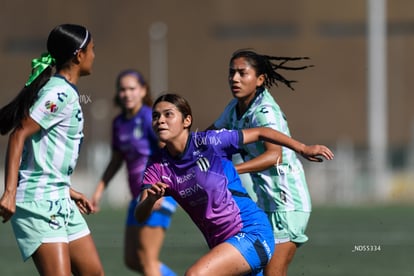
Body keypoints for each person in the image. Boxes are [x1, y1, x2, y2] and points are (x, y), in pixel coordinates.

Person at [135, 93, 333, 276]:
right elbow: (140, 215)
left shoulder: (209, 142)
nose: (160, 120)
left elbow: (262, 132)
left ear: (187, 121)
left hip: (251, 233)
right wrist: (151, 199)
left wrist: (303, 148)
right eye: (155, 116)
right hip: (222, 245)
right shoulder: (157, 166)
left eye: (168, 114)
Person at [0, 24, 104, 276]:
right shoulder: (58, 93)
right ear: (79, 55)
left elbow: (41, 152)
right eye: (92, 49)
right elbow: (18, 135)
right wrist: (9, 193)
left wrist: (66, 190)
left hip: (58, 197)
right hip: (38, 202)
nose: (94, 55)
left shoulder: (67, 91)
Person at [209, 49, 319, 276]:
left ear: (259, 80)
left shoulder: (264, 112)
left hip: (286, 204)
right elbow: (209, 138)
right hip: (263, 205)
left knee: (272, 273)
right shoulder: (234, 109)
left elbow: (274, 156)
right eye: (231, 73)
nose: (235, 79)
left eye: (242, 73)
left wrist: (231, 170)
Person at [91, 69, 177, 276]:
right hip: (137, 198)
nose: (127, 94)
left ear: (143, 90)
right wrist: (99, 191)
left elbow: (168, 151)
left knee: (147, 261)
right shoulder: (119, 123)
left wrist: (159, 192)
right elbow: (116, 160)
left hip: (155, 194)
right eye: (122, 89)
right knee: (132, 259)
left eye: (132, 89)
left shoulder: (150, 117)